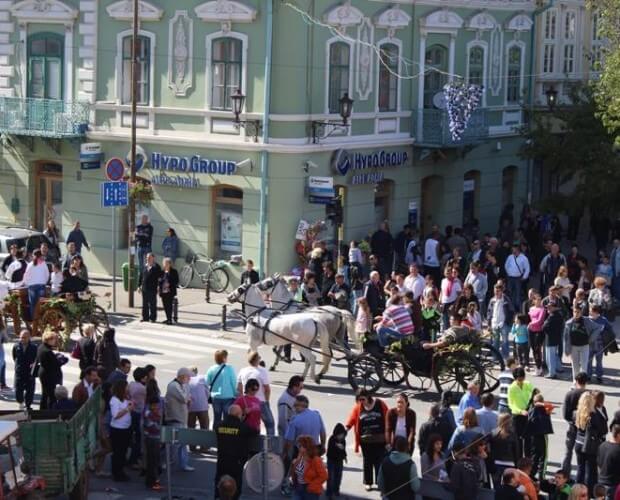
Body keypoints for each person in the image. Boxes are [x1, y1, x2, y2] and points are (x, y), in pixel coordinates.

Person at [345, 389, 388, 491]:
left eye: (363, 399)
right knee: (367, 462)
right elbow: (352, 419)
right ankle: (368, 482)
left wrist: (389, 436)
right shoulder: (358, 407)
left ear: (368, 397)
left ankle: (379, 482)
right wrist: (346, 428)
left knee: (379, 461)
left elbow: (388, 416)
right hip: (365, 441)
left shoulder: (379, 404)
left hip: (380, 439)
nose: (361, 402)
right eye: (359, 400)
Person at [214, 404, 256, 500]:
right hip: (236, 462)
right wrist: (245, 419)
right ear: (238, 415)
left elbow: (216, 427)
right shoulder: (242, 427)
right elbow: (254, 431)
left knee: (220, 485)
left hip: (222, 461)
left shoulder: (219, 425)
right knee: (235, 487)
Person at [575, 392, 606, 493]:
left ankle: (576, 492)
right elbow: (601, 430)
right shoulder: (593, 415)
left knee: (580, 469)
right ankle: (587, 493)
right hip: (589, 446)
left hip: (578, 442)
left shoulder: (577, 412)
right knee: (590, 470)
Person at [237, 351, 275, 435]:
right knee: (270, 424)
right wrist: (267, 401)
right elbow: (267, 389)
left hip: (246, 401)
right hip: (260, 402)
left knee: (249, 424)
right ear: (257, 360)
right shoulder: (262, 371)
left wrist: (242, 400)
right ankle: (270, 444)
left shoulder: (243, 370)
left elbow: (239, 388)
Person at [164, 367, 194, 472]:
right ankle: (168, 462)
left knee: (182, 443)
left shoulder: (182, 385)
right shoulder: (173, 386)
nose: (189, 379)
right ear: (182, 377)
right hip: (175, 419)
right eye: (188, 377)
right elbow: (184, 398)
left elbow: (187, 398)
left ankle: (183, 463)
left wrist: (188, 397)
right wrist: (188, 397)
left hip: (181, 419)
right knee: (174, 444)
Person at [283, 395, 326, 459]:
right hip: (315, 450)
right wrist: (322, 446)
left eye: (294, 405)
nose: (293, 408)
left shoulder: (295, 420)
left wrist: (285, 453)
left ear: (298, 406)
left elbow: (289, 441)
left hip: (300, 452)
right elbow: (323, 433)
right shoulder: (316, 415)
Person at [562, 373, 589, 477]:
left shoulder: (570, 394)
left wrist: (572, 422)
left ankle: (565, 474)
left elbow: (565, 414)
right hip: (584, 430)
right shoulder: (589, 395)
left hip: (572, 427)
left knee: (568, 452)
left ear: (576, 381)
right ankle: (582, 475)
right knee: (583, 455)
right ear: (586, 382)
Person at [377, 435, 420, 499]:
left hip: (389, 497)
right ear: (407, 448)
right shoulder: (411, 465)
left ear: (395, 447)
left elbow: (380, 484)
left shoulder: (385, 462)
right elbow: (415, 487)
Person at [564, 306, 602, 380]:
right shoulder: (568, 323)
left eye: (578, 312)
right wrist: (567, 350)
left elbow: (598, 327)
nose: (576, 313)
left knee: (584, 366)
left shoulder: (587, 321)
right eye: (575, 312)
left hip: (584, 346)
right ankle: (575, 383)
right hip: (574, 347)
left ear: (581, 313)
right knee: (575, 366)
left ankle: (582, 383)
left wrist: (591, 339)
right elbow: (566, 338)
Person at [526, 392, 554, 481]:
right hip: (542, 436)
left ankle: (531, 474)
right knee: (544, 457)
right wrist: (542, 404)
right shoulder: (544, 409)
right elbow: (549, 405)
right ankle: (541, 477)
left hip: (533, 437)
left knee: (535, 457)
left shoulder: (531, 409)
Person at [290, 435, 328, 500]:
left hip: (310, 491)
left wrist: (312, 486)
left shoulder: (315, 460)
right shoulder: (300, 457)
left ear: (306, 447)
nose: (298, 447)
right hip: (298, 488)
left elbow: (324, 476)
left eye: (300, 446)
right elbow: (294, 472)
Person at [206, 350, 237, 428]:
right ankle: (226, 436)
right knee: (227, 418)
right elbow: (234, 383)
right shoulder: (229, 368)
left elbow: (207, 382)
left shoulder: (211, 369)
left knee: (217, 418)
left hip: (215, 397)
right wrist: (236, 394)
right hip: (228, 397)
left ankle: (215, 435)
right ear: (224, 358)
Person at [109, 379, 133, 482]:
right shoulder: (114, 400)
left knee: (123, 452)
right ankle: (116, 473)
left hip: (126, 428)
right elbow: (115, 415)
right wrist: (127, 409)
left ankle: (121, 470)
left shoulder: (124, 398)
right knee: (118, 452)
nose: (128, 389)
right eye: (126, 387)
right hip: (118, 430)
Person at [508, 367, 534, 458]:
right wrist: (520, 411)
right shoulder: (512, 388)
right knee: (518, 440)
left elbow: (535, 393)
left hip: (527, 414)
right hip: (517, 416)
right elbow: (511, 404)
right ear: (515, 378)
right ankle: (518, 460)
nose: (521, 381)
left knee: (528, 439)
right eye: (519, 380)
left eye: (522, 379)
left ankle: (528, 459)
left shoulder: (527, 384)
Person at [490, 413, 519, 488]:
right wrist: (516, 465)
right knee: (509, 487)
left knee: (497, 487)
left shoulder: (493, 433)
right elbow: (516, 451)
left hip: (496, 463)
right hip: (510, 464)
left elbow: (490, 449)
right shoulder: (513, 434)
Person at [36, 331, 63, 409]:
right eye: (54, 339)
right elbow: (55, 364)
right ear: (49, 340)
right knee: (51, 395)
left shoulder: (41, 347)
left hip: (43, 373)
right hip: (48, 375)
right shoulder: (47, 351)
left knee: (45, 394)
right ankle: (49, 412)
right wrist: (61, 361)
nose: (55, 341)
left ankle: (42, 411)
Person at [487, 283, 515, 359]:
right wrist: (489, 324)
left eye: (498, 291)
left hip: (503, 323)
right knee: (495, 342)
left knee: (505, 341)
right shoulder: (492, 300)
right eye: (495, 290)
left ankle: (506, 358)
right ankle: (495, 357)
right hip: (494, 323)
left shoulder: (506, 299)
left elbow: (512, 311)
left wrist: (509, 321)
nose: (496, 292)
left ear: (502, 291)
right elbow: (489, 312)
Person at [12, 329, 37, 409]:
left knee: (30, 390)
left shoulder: (34, 347)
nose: (22, 339)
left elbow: (36, 359)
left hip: (30, 372)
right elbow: (14, 357)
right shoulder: (16, 346)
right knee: (18, 389)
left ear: (29, 337)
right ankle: (20, 401)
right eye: (21, 337)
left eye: (25, 337)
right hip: (19, 371)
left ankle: (28, 405)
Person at [188, 366, 210, 452]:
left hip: (191, 407)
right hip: (202, 406)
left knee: (191, 427)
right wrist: (205, 400)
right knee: (204, 427)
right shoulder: (202, 378)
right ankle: (204, 447)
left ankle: (192, 446)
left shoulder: (187, 380)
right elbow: (207, 392)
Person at [23, 249, 50, 320]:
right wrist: (44, 282)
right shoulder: (43, 263)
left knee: (33, 305)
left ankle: (34, 322)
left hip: (32, 286)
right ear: (40, 255)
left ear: (33, 255)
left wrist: (27, 283)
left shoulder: (30, 264)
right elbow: (47, 274)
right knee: (41, 304)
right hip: (41, 285)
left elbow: (25, 276)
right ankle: (42, 320)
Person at [143, 396, 163, 491]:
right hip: (151, 439)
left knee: (155, 461)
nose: (156, 407)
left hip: (155, 438)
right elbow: (153, 427)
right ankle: (152, 482)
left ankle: (153, 480)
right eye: (154, 405)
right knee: (152, 461)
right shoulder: (149, 414)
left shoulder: (154, 414)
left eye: (157, 405)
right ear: (150, 405)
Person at [505, 243, 531, 311]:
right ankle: (511, 307)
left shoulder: (524, 258)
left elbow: (527, 268)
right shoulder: (510, 257)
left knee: (518, 293)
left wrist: (524, 277)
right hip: (510, 277)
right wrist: (508, 273)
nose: (513, 251)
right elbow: (506, 265)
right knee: (510, 292)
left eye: (514, 249)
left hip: (518, 278)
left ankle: (518, 308)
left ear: (518, 249)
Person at [598, 424, 620, 500]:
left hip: (601, 482)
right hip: (612, 485)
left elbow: (599, 463)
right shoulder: (618, 450)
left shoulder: (602, 445)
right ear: (618, 435)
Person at [543, 300, 565, 378]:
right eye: (547, 307)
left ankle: (552, 373)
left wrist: (544, 325)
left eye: (550, 307)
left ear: (555, 308)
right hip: (557, 338)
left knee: (550, 357)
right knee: (554, 355)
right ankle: (559, 368)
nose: (548, 309)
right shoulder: (559, 315)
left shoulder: (552, 316)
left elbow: (544, 327)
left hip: (550, 338)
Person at [326, 423, 347, 499]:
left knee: (338, 476)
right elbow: (330, 451)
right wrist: (337, 447)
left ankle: (336, 490)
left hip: (339, 460)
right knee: (331, 477)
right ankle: (329, 493)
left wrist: (345, 456)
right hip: (331, 460)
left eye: (343, 435)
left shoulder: (343, 440)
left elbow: (343, 450)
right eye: (340, 435)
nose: (341, 436)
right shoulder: (332, 439)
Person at [439, 266, 462, 331]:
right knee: (444, 320)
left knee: (451, 321)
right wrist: (440, 300)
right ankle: (445, 334)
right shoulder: (443, 281)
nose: (447, 274)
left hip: (452, 303)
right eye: (446, 273)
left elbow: (459, 295)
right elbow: (442, 291)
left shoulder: (456, 282)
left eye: (449, 273)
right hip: (444, 303)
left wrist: (454, 304)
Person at [528, 293, 546, 375]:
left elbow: (540, 320)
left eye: (540, 300)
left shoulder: (542, 309)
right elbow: (529, 318)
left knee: (537, 349)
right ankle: (537, 366)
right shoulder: (531, 308)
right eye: (537, 300)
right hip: (531, 331)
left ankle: (539, 367)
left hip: (539, 331)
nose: (539, 301)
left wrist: (531, 324)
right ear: (534, 301)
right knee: (533, 349)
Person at [141, 253, 162, 323]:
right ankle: (145, 317)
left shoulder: (157, 267)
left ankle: (153, 318)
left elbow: (160, 278)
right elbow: (141, 276)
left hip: (152, 288)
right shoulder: (145, 266)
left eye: (149, 257)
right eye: (147, 257)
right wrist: (139, 286)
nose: (148, 259)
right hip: (144, 288)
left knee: (152, 304)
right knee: (144, 304)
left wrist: (159, 286)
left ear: (153, 258)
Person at [158, 257, 179, 325]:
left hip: (170, 291)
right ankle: (168, 318)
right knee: (165, 305)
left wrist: (169, 282)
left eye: (167, 263)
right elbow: (159, 280)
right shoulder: (161, 272)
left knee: (169, 305)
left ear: (170, 264)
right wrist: (161, 282)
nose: (165, 265)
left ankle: (170, 319)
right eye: (164, 263)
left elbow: (176, 281)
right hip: (163, 292)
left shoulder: (174, 271)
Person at [135, 214, 154, 279]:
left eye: (145, 219)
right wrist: (143, 234)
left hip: (147, 247)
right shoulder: (138, 227)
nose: (144, 220)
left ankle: (147, 276)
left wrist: (141, 234)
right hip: (140, 246)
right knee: (140, 264)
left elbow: (148, 236)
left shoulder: (150, 227)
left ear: (147, 219)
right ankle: (141, 277)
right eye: (143, 219)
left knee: (148, 263)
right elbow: (136, 236)